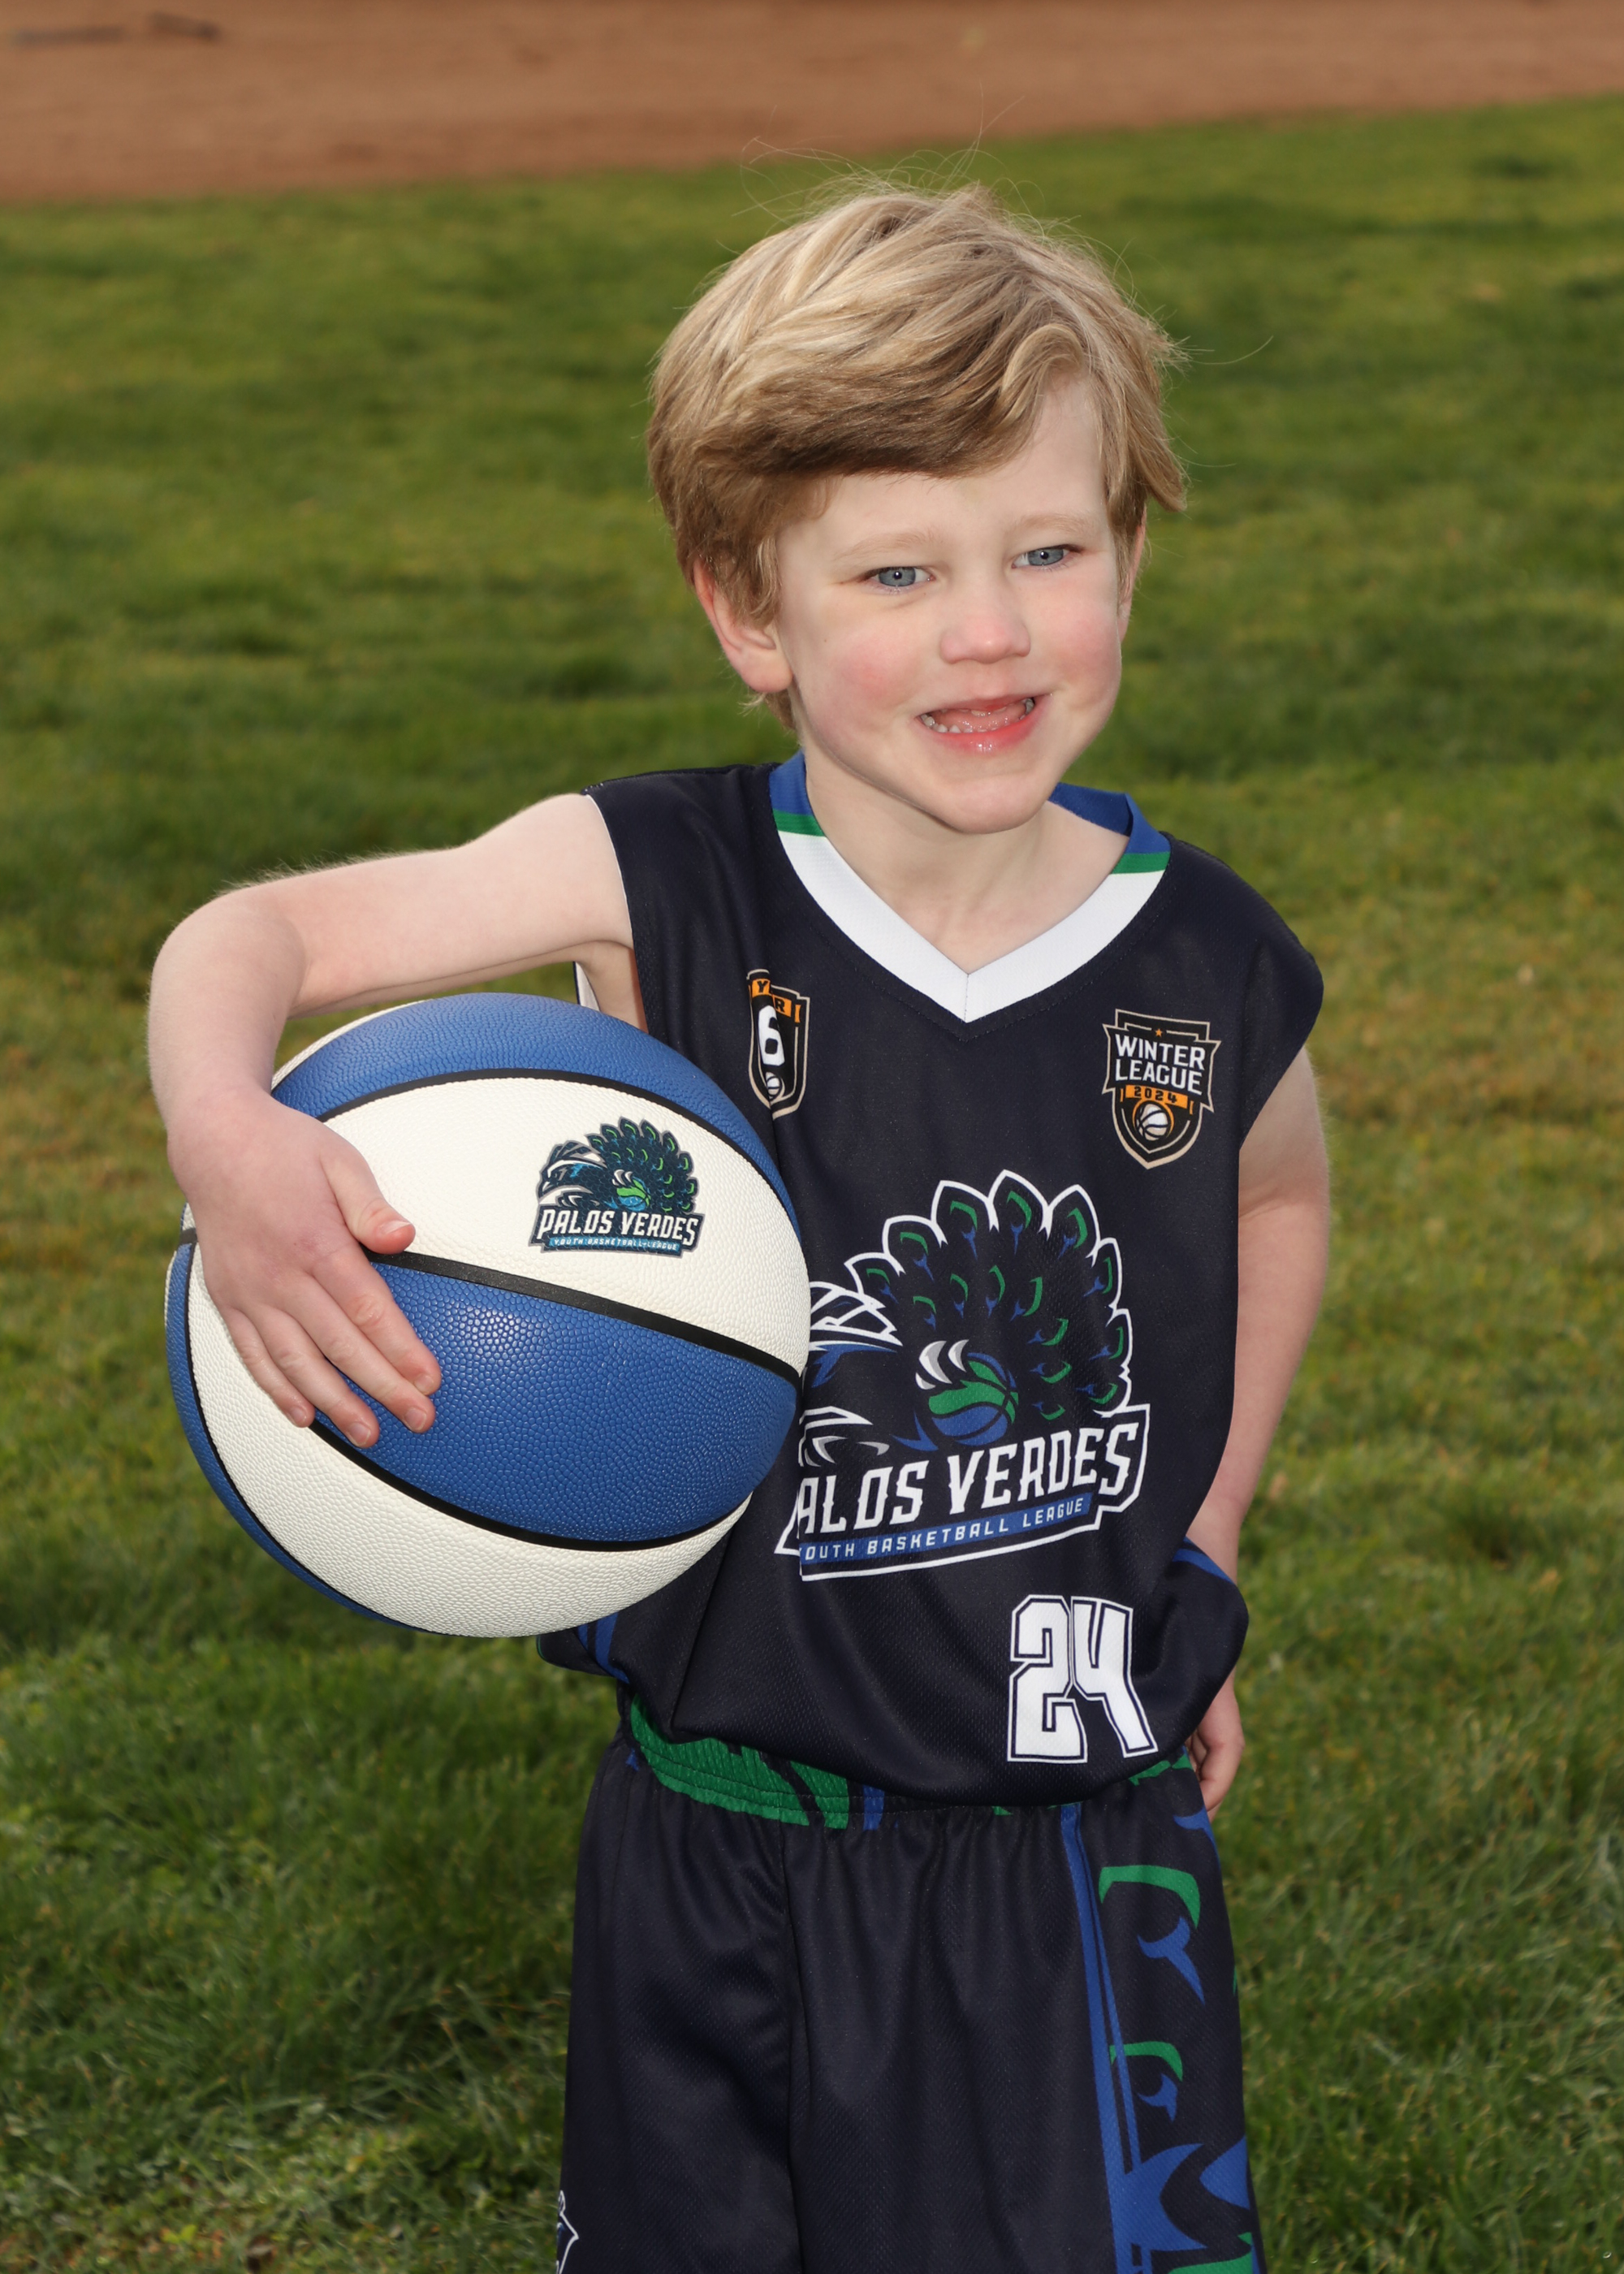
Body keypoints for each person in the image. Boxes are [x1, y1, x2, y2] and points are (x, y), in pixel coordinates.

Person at [149, 184, 1330, 2273]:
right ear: (745, 608)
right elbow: (259, 935)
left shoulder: (1208, 961)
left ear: (1129, 553)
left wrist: (1205, 1539)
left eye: (1048, 551)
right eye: (899, 569)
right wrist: (226, 1131)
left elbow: (1276, 1192)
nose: (989, 630)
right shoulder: (658, 880)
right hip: (701, 1835)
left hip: (1057, 1851)